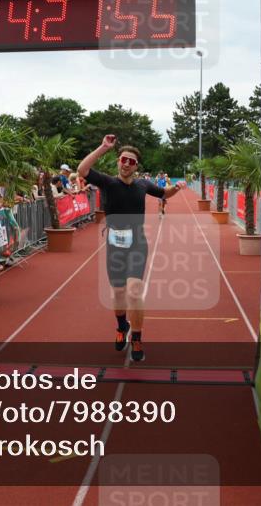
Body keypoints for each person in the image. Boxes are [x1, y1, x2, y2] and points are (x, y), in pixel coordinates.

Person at [78, 135, 179, 362]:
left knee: (134, 290)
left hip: (137, 244)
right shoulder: (108, 183)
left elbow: (164, 193)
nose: (126, 164)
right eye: (123, 159)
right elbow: (82, 170)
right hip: (115, 246)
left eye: (131, 162)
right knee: (119, 293)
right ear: (118, 161)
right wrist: (103, 147)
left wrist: (177, 188)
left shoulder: (143, 185)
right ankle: (122, 326)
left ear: (136, 166)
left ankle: (136, 337)